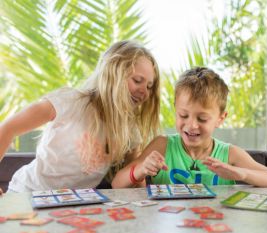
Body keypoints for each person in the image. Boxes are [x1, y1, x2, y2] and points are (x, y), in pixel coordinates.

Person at [0, 40, 160, 194]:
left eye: (149, 86)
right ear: (112, 73)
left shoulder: (129, 130)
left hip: (72, 206)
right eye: (137, 80)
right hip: (28, 193)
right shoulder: (70, 102)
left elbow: (134, 179)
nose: (144, 92)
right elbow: (7, 129)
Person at [112, 67, 267, 188]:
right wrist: (140, 170)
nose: (192, 125)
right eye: (183, 115)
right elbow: (117, 183)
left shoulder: (230, 154)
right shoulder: (162, 146)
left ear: (220, 118)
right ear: (175, 110)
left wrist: (241, 174)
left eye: (202, 118)